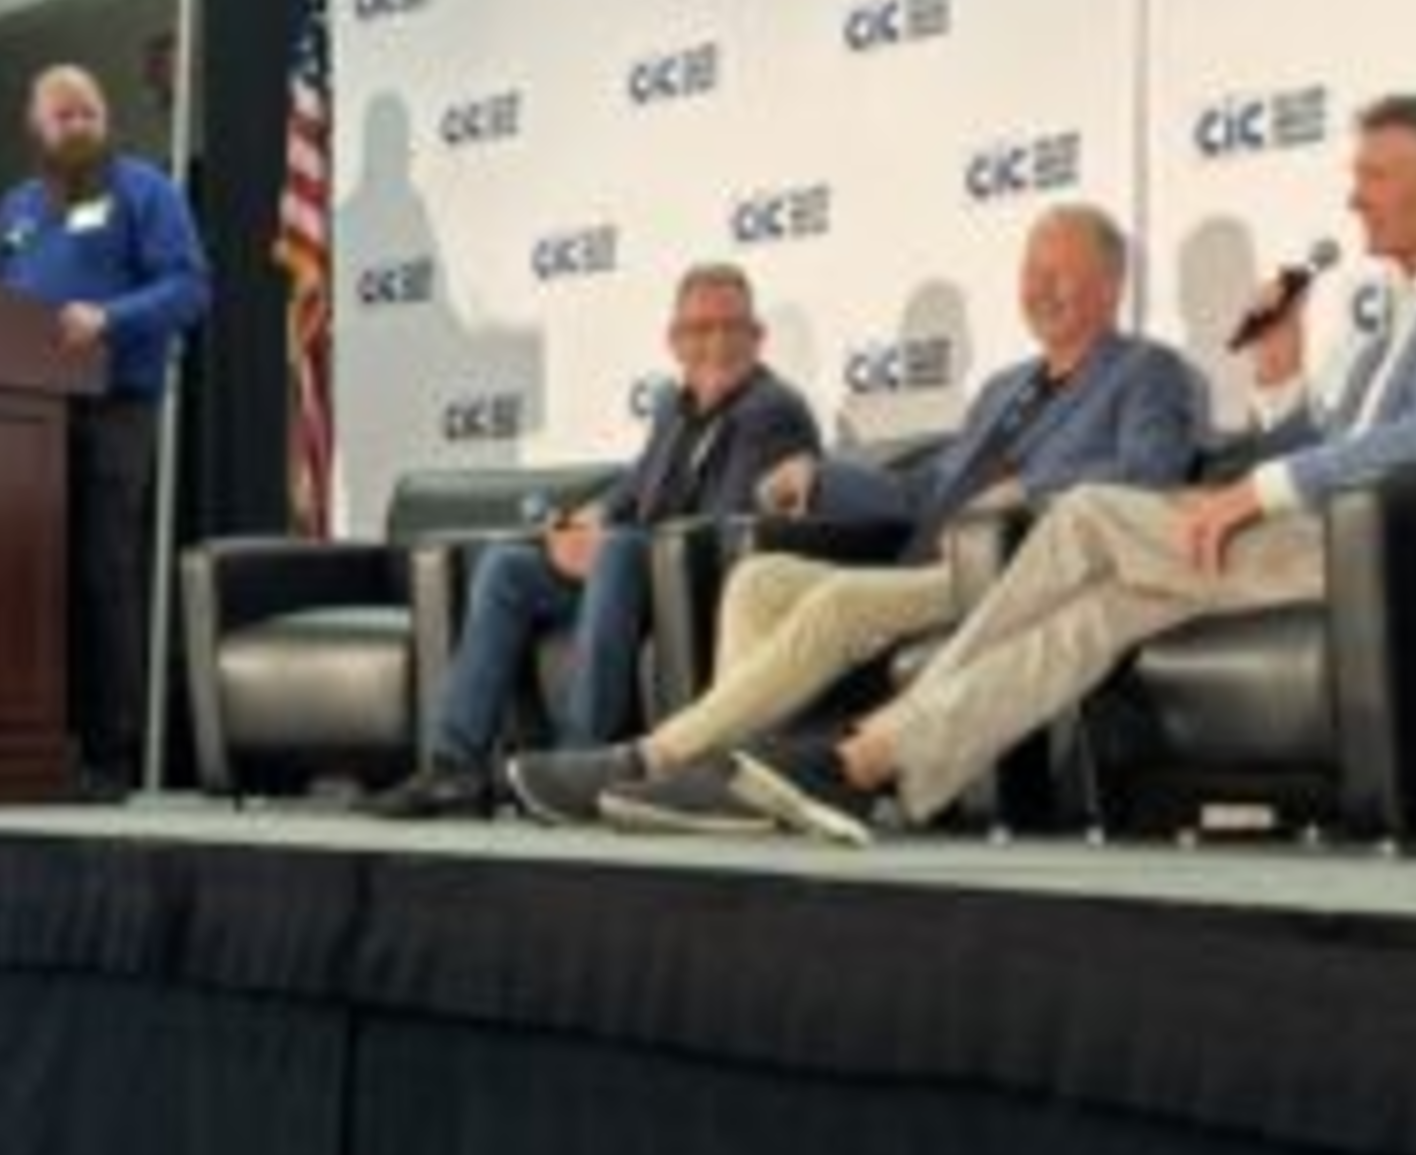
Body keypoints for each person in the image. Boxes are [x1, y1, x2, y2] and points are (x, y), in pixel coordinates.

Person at [724, 92, 1416, 845]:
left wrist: (1254, 491)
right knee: (1095, 616)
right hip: (1315, 538)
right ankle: (871, 765)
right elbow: (1323, 451)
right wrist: (1279, 374)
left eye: (1376, 175)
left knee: (1088, 511)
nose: (1355, 197)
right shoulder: (1388, 327)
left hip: (1392, 552)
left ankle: (864, 742)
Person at [507, 203, 1196, 831]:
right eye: (1030, 273)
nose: (1039, 289)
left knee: (839, 602)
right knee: (757, 580)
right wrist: (822, 478)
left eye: (1058, 274)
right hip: (924, 564)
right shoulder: (1003, 387)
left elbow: (1151, 476)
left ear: (1111, 284)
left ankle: (653, 759)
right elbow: (929, 489)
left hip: (1014, 571)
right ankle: (739, 781)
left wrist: (1028, 489)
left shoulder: (1147, 372)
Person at [363, 262, 820, 818]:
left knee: (620, 551)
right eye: (701, 330)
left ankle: (576, 764)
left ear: (757, 337)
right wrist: (585, 521)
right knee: (508, 567)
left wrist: (609, 544)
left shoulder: (770, 410)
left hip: (702, 592)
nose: (718, 343)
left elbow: (723, 524)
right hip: (636, 581)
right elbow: (636, 488)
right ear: (675, 342)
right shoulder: (674, 407)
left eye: (733, 327)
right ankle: (453, 768)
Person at [0, 64, 211, 801]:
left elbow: (189, 288)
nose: (78, 125)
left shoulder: (145, 190)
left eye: (90, 113)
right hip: (23, 421)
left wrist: (108, 319)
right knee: (32, 580)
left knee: (104, 575)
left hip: (114, 408)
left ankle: (112, 755)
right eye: (64, 115)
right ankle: (39, 746)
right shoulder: (16, 208)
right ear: (35, 126)